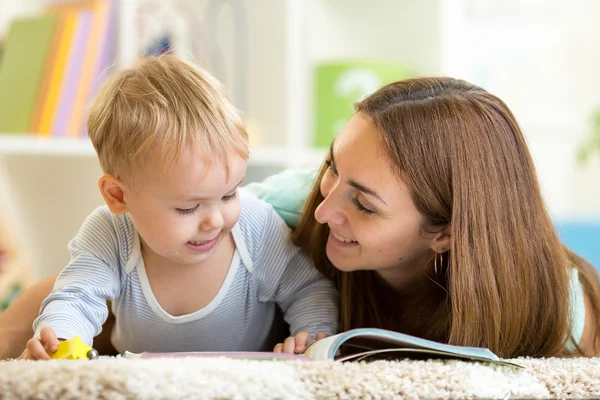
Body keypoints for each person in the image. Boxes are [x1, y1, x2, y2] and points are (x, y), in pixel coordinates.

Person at [2, 77, 598, 359]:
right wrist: (49, 339)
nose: (324, 207)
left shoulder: (552, 311)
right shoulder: (273, 209)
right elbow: (114, 261)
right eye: (332, 165)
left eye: (363, 203)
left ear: (445, 231)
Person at [16, 55, 338, 360]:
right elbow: (78, 296)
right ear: (118, 196)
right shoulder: (109, 234)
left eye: (229, 195)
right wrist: (60, 339)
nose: (214, 220)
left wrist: (308, 340)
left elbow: (307, 289)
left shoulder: (256, 226)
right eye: (188, 208)